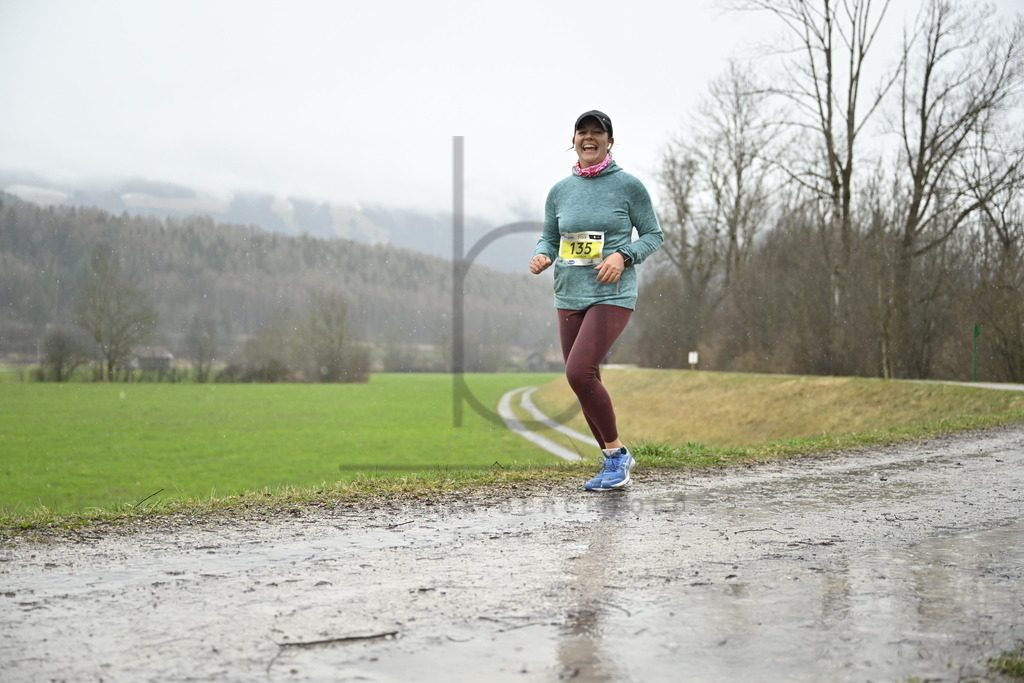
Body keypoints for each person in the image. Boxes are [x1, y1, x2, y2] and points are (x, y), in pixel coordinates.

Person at [529, 110, 663, 491]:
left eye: (597, 133)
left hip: (612, 294)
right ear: (573, 140)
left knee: (578, 372)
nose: (589, 138)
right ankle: (611, 462)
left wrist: (624, 256)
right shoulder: (559, 191)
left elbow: (654, 235)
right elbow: (550, 237)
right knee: (585, 379)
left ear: (610, 141)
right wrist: (543, 254)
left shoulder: (628, 186)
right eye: (582, 132)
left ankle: (618, 455)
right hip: (569, 293)